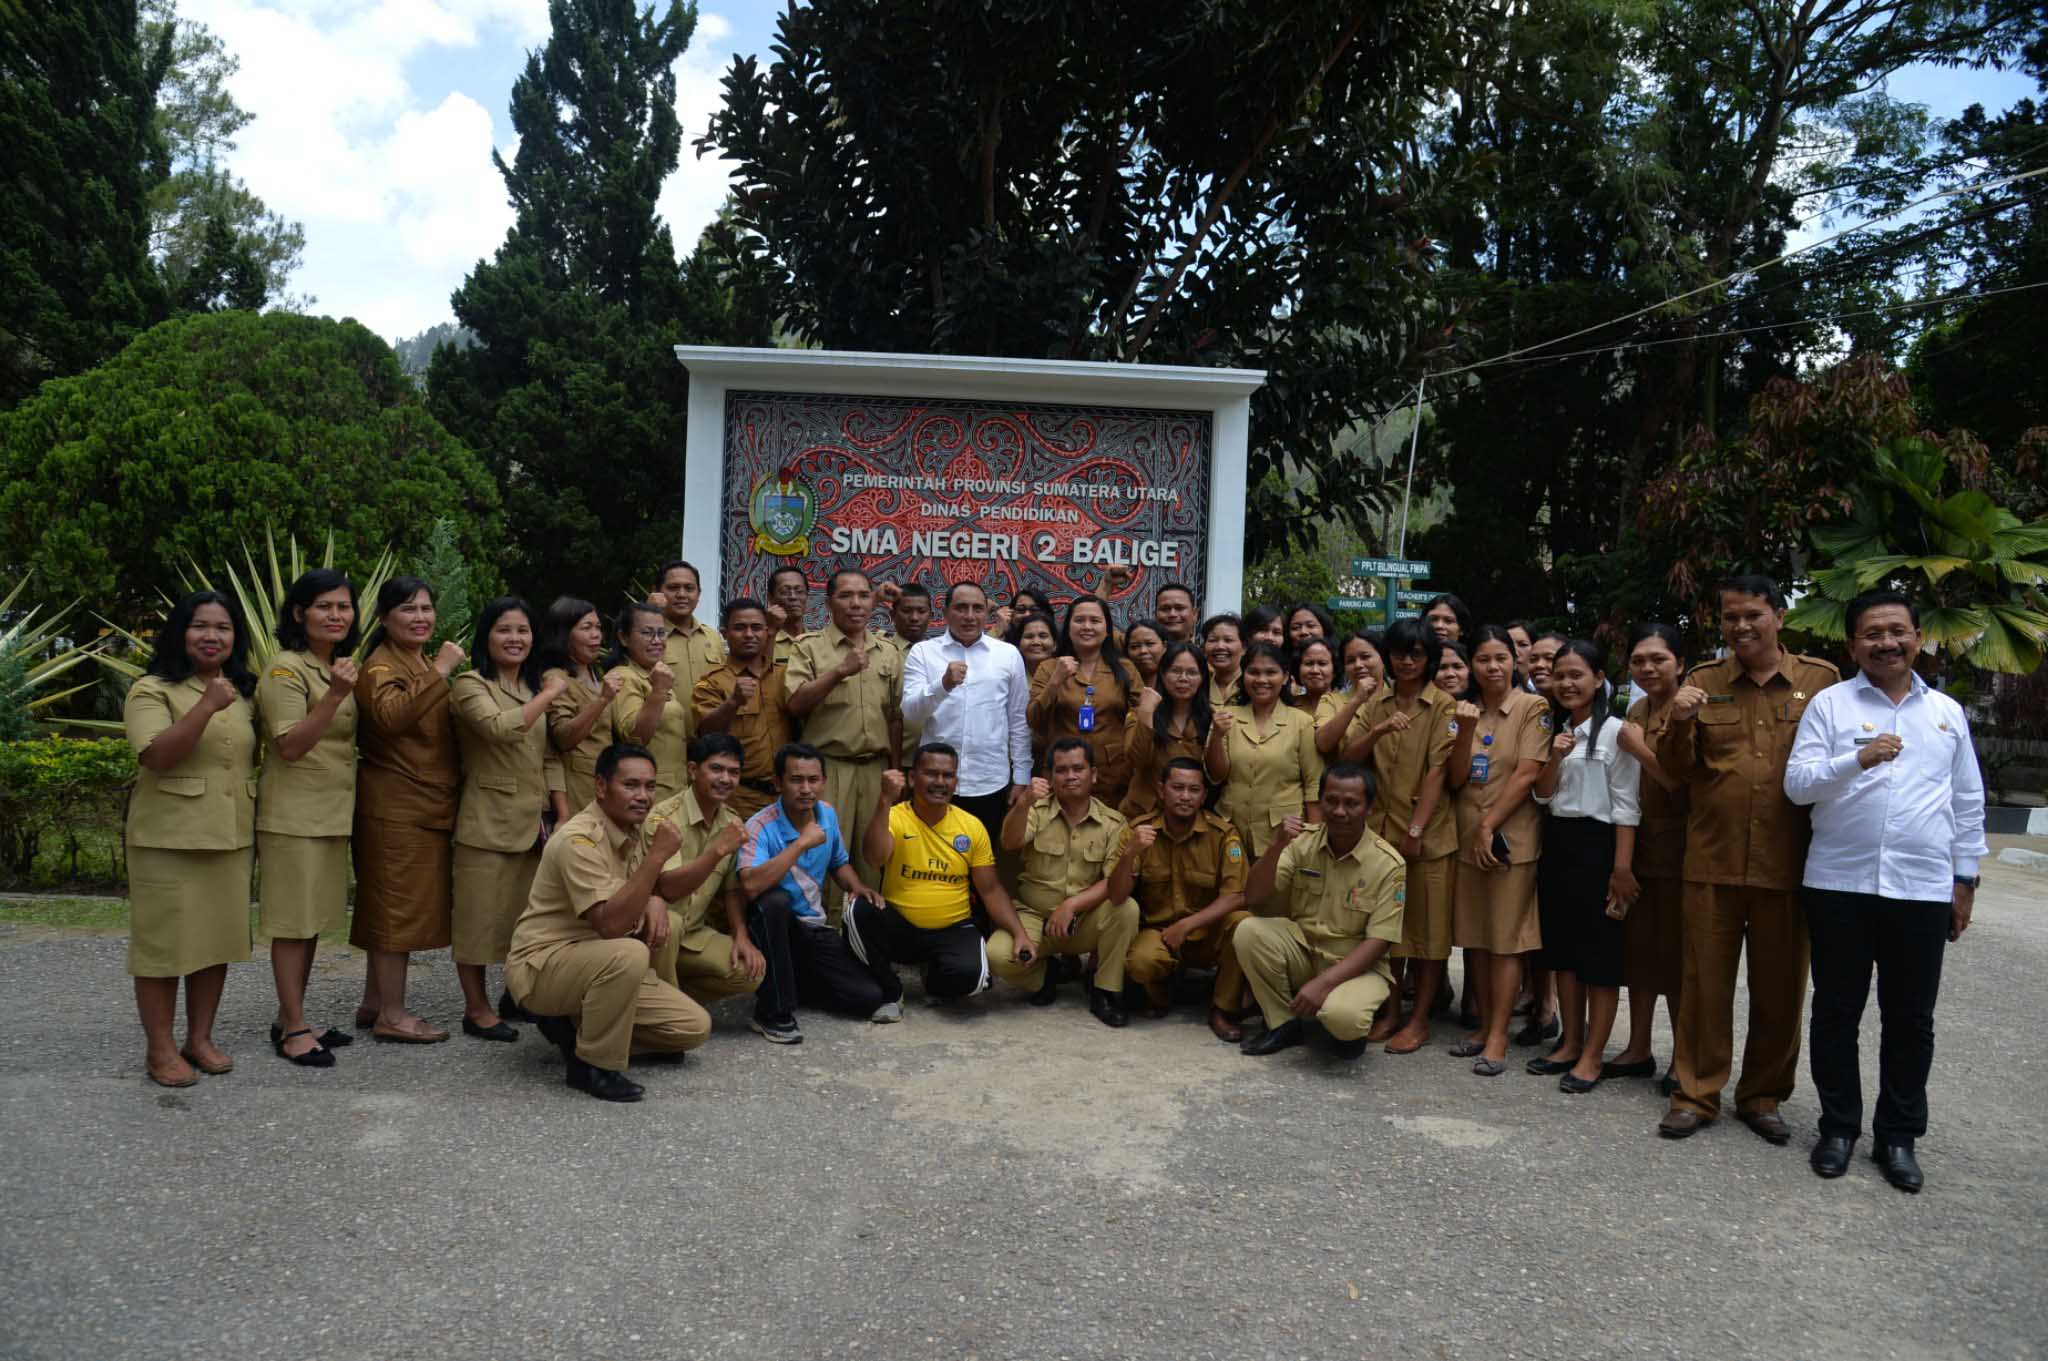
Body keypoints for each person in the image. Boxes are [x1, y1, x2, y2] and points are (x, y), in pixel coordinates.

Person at [1786, 591, 1985, 1192]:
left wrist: (1965, 879)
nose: (1886, 642)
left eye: (1897, 631)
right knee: (1837, 1011)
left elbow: (1967, 803)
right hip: (1839, 884)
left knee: (1911, 1019)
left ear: (1918, 638)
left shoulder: (1947, 714)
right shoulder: (1829, 705)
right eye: (1871, 634)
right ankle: (1839, 1127)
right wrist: (1858, 761)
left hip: (1921, 889)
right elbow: (1797, 785)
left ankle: (1898, 1138)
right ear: (1852, 646)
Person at [1655, 575, 1840, 1143]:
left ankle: (1762, 1096)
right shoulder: (1703, 682)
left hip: (1787, 865)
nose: (1741, 626)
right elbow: (1677, 770)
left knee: (1780, 989)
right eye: (1731, 617)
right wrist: (1681, 720)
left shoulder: (1821, 681)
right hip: (1711, 860)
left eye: (1753, 614)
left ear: (1779, 616)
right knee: (1704, 987)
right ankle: (1696, 1093)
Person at [505, 743, 713, 1102]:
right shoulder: (578, 839)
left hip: (594, 958)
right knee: (629, 952)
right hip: (544, 964)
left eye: (650, 787)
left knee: (692, 1028)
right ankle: (592, 1065)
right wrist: (658, 856)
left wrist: (655, 898)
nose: (643, 796)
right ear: (601, 787)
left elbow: (652, 888)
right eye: (631, 785)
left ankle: (575, 1026)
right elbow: (610, 924)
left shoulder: (630, 830)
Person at [125, 591, 259, 1087]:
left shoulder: (242, 691)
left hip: (229, 836)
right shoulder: (151, 689)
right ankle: (159, 1049)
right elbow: (156, 755)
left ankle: (199, 1039)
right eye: (199, 625)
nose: (212, 636)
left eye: (222, 627)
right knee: (163, 948)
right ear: (180, 632)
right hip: (168, 840)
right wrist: (204, 706)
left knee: (215, 942)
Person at [352, 576, 464, 1044]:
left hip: (424, 802)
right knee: (396, 910)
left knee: (393, 905)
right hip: (395, 805)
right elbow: (392, 717)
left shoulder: (413, 659)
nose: (420, 618)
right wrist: (439, 670)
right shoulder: (379, 666)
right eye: (407, 610)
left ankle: (376, 1001)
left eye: (425, 608)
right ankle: (393, 1015)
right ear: (383, 619)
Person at [255, 569, 359, 1068]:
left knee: (312, 922)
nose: (337, 615)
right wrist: (336, 695)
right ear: (299, 614)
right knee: (292, 924)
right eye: (325, 606)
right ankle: (293, 1029)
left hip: (330, 813)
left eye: (344, 606)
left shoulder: (333, 666)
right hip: (294, 814)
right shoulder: (285, 669)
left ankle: (289, 1015)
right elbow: (290, 744)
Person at [1529, 640, 1642, 1092]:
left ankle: (1594, 1054)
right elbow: (1541, 795)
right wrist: (1555, 754)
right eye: (1560, 675)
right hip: (1558, 844)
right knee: (1563, 954)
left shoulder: (1617, 732)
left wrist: (1622, 868)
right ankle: (1570, 1042)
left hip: (1601, 847)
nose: (1566, 683)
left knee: (1599, 959)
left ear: (1599, 679)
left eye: (1577, 674)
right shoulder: (1557, 731)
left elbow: (1627, 805)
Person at [449, 598, 565, 1042]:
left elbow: (548, 754)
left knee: (528, 919)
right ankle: (475, 1009)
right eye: (504, 630)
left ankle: (516, 996)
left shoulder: (533, 688)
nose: (515, 639)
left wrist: (563, 813)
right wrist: (550, 696)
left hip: (534, 821)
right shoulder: (469, 685)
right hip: (487, 819)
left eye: (523, 630)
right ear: (486, 637)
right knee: (478, 919)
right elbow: (499, 728)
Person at [1236, 765, 1407, 1060]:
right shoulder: (1303, 841)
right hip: (1306, 953)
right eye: (1331, 801)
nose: (1339, 811)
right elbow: (1254, 896)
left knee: (1343, 1018)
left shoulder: (1388, 863)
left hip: (1357, 968)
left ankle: (1342, 1024)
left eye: (1351, 803)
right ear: (1321, 800)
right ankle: (1283, 1023)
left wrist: (1324, 984)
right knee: (1249, 931)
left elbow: (1379, 942)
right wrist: (1277, 846)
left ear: (1369, 807)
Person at [1343, 617, 1458, 1053]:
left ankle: (1420, 1018)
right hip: (1378, 835)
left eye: (1416, 653)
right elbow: (1349, 758)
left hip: (1428, 837)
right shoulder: (1378, 702)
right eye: (1399, 653)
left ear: (1429, 659)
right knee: (1388, 932)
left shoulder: (1443, 705)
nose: (1407, 661)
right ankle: (1390, 1012)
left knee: (1428, 936)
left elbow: (1438, 772)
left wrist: (1416, 829)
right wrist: (1378, 729)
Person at [851, 745, 1037, 1009]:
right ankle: (890, 988)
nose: (940, 782)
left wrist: (1019, 933)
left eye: (947, 775)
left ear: (956, 782)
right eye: (931, 774)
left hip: (952, 928)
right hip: (900, 928)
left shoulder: (971, 826)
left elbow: (991, 890)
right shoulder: (894, 816)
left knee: (972, 981)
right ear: (913, 778)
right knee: (857, 911)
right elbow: (873, 857)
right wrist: (884, 801)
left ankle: (934, 977)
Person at [1444, 625, 1552, 1076]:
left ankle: (1499, 1037)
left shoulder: (1533, 707)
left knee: (1506, 942)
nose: (1492, 667)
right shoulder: (1462, 711)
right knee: (1477, 939)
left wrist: (1489, 825)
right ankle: (1484, 1025)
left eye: (1500, 658)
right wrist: (1466, 730)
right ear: (1472, 664)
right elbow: (1454, 778)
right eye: (1483, 659)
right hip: (1467, 838)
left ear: (1515, 662)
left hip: (1511, 841)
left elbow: (1528, 774)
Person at [735, 742, 894, 1039]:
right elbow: (750, 885)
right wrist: (800, 844)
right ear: (778, 783)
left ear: (823, 782)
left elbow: (839, 863)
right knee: (774, 902)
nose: (806, 789)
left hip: (813, 928)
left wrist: (858, 887)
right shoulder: (760, 826)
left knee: (868, 997)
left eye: (813, 780)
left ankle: (795, 984)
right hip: (775, 929)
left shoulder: (827, 815)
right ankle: (772, 1012)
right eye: (796, 780)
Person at [991, 738, 1140, 1027]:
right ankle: (1044, 977)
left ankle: (1105, 990)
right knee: (997, 956)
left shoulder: (1113, 822)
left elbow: (1113, 882)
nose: (1070, 777)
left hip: (1083, 921)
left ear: (1093, 774)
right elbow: (1010, 842)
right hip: (1034, 918)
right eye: (1061, 770)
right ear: (1050, 777)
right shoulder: (1036, 810)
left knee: (1126, 909)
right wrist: (1023, 802)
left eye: (1078, 769)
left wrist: (1072, 904)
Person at [785, 570, 904, 912]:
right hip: (828, 768)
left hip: (875, 769)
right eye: (846, 596)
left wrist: (895, 773)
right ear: (828, 603)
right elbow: (794, 704)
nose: (856, 604)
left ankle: (867, 939)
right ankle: (823, 937)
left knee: (874, 859)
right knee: (821, 856)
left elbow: (895, 719)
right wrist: (840, 671)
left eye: (864, 596)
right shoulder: (809, 647)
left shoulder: (888, 652)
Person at [1108, 757, 1251, 1040]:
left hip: (1207, 933)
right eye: (1177, 787)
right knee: (1141, 962)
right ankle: (1160, 994)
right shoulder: (1139, 831)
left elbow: (1236, 896)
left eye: (1193, 790)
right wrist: (1130, 854)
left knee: (1242, 924)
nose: (1185, 796)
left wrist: (1187, 926)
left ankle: (1223, 1009)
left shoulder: (1222, 835)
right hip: (1158, 933)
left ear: (1203, 796)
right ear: (1162, 790)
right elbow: (1115, 895)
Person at [1608, 623, 1687, 1090]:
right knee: (1638, 955)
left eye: (1658, 659)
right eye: (1639, 660)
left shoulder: (1688, 708)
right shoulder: (1637, 707)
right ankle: (1638, 1047)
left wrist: (1638, 748)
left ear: (1679, 662)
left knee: (1677, 960)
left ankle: (1683, 1057)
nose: (1647, 668)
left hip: (1681, 851)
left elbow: (1682, 785)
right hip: (1639, 848)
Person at [901, 581, 1033, 844]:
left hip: (990, 780)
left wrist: (1021, 777)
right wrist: (943, 685)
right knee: (931, 861)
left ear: (987, 613)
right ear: (946, 612)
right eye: (961, 608)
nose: (970, 616)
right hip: (935, 780)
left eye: (977, 608)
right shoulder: (923, 652)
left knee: (980, 862)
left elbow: (1018, 720)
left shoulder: (1007, 654)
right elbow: (911, 714)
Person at [644, 733, 764, 1021]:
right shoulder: (663, 818)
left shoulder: (731, 821)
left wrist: (741, 934)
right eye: (717, 769)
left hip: (694, 933)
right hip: (653, 933)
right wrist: (718, 849)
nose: (725, 779)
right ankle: (665, 1019)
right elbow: (669, 888)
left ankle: (663, 1001)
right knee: (669, 925)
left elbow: (731, 891)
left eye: (734, 772)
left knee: (749, 973)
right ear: (693, 770)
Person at [1208, 641, 1324, 859]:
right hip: (1231, 829)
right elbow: (1216, 775)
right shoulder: (1227, 716)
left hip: (1283, 832)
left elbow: (1313, 784)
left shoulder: (1302, 722)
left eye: (1271, 672)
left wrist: (1313, 836)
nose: (1261, 680)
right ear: (1244, 676)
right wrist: (1216, 735)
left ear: (1285, 676)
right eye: (1254, 672)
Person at [1028, 594, 1142, 806]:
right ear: (1068, 627)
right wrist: (1055, 682)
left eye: (1095, 621)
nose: (1087, 626)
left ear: (1107, 629)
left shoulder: (1125, 669)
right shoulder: (1049, 668)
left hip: (1113, 775)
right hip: (1063, 773)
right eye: (1079, 620)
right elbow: (1034, 721)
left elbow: (1142, 719)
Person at [692, 596, 793, 819]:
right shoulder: (711, 682)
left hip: (787, 798)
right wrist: (733, 702)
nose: (749, 634)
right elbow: (706, 733)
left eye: (756, 627)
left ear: (767, 632)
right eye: (740, 628)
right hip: (738, 798)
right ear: (725, 633)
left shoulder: (786, 676)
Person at [538, 596, 622, 817]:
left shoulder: (596, 673)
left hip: (605, 783)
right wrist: (602, 700)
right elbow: (563, 737)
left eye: (598, 627)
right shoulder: (556, 678)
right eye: (586, 627)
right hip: (576, 789)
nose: (596, 635)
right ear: (564, 634)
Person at [608, 601, 691, 798]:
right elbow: (634, 738)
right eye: (647, 633)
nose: (656, 640)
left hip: (677, 790)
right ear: (623, 637)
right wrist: (658, 691)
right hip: (647, 795)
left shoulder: (657, 673)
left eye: (661, 633)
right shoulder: (623, 677)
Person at [1122, 641, 1211, 819]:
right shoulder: (1141, 712)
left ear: (1202, 678)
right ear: (1162, 674)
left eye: (1192, 672)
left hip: (1190, 816)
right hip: (1144, 814)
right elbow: (1137, 760)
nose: (1183, 678)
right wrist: (1146, 713)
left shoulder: (1211, 719)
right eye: (1176, 671)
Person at [649, 559, 724, 702]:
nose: (682, 594)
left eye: (689, 588)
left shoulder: (713, 638)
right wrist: (649, 611)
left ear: (698, 594)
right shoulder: (646, 638)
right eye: (673, 588)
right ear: (656, 592)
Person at [1317, 632, 1384, 757]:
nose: (1358, 665)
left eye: (1365, 657)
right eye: (1350, 661)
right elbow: (1323, 744)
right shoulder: (1330, 700)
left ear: (1383, 658)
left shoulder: (1400, 694)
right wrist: (1357, 700)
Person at [764, 564, 810, 663]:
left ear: (807, 596)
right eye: (785, 591)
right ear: (770, 598)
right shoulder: (763, 640)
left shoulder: (818, 641)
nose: (793, 597)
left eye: (799, 591)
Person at [1200, 613, 1246, 710]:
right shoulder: (1198, 685)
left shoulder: (1252, 685)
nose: (1220, 646)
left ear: (1244, 648)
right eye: (1213, 640)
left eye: (1228, 640)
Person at [882, 580, 934, 654]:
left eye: (921, 611)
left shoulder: (939, 652)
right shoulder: (879, 650)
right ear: (893, 615)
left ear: (930, 616)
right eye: (906, 611)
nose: (914, 618)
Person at [1122, 618, 1167, 691]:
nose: (1143, 651)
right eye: (1135, 646)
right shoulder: (1118, 687)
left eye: (1150, 644)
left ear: (1164, 646)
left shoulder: (1175, 685)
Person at [1012, 611, 1059, 677]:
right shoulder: (1010, 674)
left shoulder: (1067, 675)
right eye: (1029, 636)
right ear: (1019, 644)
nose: (1036, 642)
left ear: (1055, 644)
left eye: (1043, 636)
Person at [1526, 632, 1565, 698]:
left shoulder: (1582, 706)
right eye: (1533, 659)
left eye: (1549, 658)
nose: (1539, 665)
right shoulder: (1524, 706)